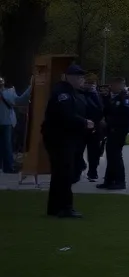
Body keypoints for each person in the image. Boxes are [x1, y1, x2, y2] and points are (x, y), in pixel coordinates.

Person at [41, 65, 92, 218]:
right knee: (65, 173)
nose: (81, 80)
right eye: (79, 77)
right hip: (60, 138)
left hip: (65, 137)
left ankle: (55, 207)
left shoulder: (72, 92)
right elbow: (66, 115)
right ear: (69, 77)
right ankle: (65, 207)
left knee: (60, 173)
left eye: (82, 77)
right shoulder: (63, 93)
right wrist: (84, 122)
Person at [98, 78, 129, 190]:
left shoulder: (124, 97)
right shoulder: (114, 97)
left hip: (118, 130)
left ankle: (120, 181)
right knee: (111, 155)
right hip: (112, 130)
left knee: (116, 156)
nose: (111, 87)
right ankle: (109, 180)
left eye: (113, 85)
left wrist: (109, 122)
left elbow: (124, 116)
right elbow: (108, 110)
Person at [1, 75, 33, 173]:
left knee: (4, 145)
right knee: (6, 145)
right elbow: (20, 100)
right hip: (5, 122)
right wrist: (31, 87)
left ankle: (6, 165)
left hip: (5, 121)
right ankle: (8, 167)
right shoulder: (7, 93)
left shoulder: (6, 93)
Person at [81, 76, 104, 182]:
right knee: (80, 150)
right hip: (84, 126)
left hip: (94, 126)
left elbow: (101, 111)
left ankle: (92, 171)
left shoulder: (96, 96)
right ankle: (86, 168)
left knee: (93, 152)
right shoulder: (82, 94)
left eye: (91, 84)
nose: (89, 86)